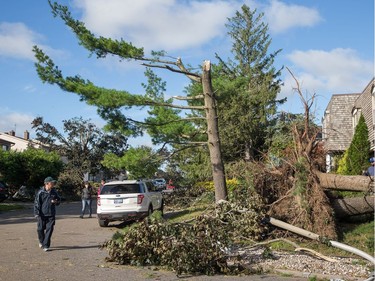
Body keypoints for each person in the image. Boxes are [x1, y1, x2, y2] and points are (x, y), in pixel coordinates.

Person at [34, 176, 61, 252]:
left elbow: (59, 200)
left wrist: (56, 202)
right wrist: (37, 213)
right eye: (51, 183)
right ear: (47, 184)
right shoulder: (41, 192)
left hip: (51, 214)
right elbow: (36, 203)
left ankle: (46, 245)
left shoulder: (54, 192)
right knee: (40, 229)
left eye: (53, 183)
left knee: (49, 230)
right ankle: (41, 241)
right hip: (42, 215)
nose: (53, 184)